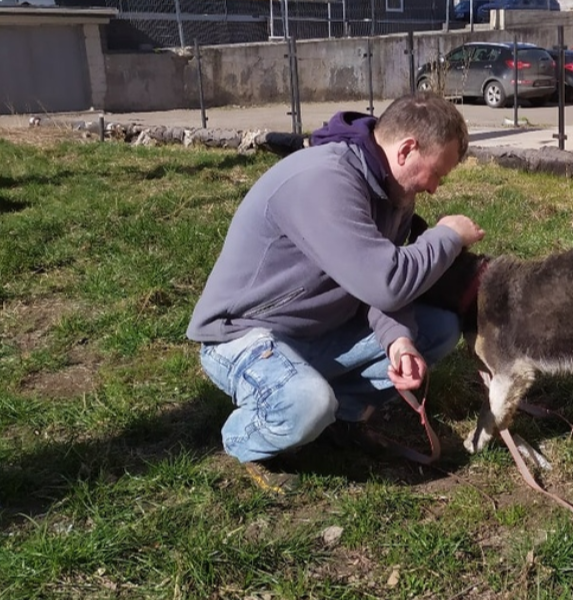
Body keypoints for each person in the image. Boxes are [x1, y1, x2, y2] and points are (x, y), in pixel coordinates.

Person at [186, 92, 485, 493]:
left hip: (318, 331)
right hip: (244, 335)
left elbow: (378, 289)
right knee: (308, 402)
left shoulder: (394, 193)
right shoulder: (324, 180)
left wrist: (398, 342)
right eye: (436, 173)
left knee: (437, 330)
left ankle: (342, 419)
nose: (433, 188)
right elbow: (387, 281)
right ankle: (245, 437)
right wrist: (447, 236)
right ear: (406, 149)